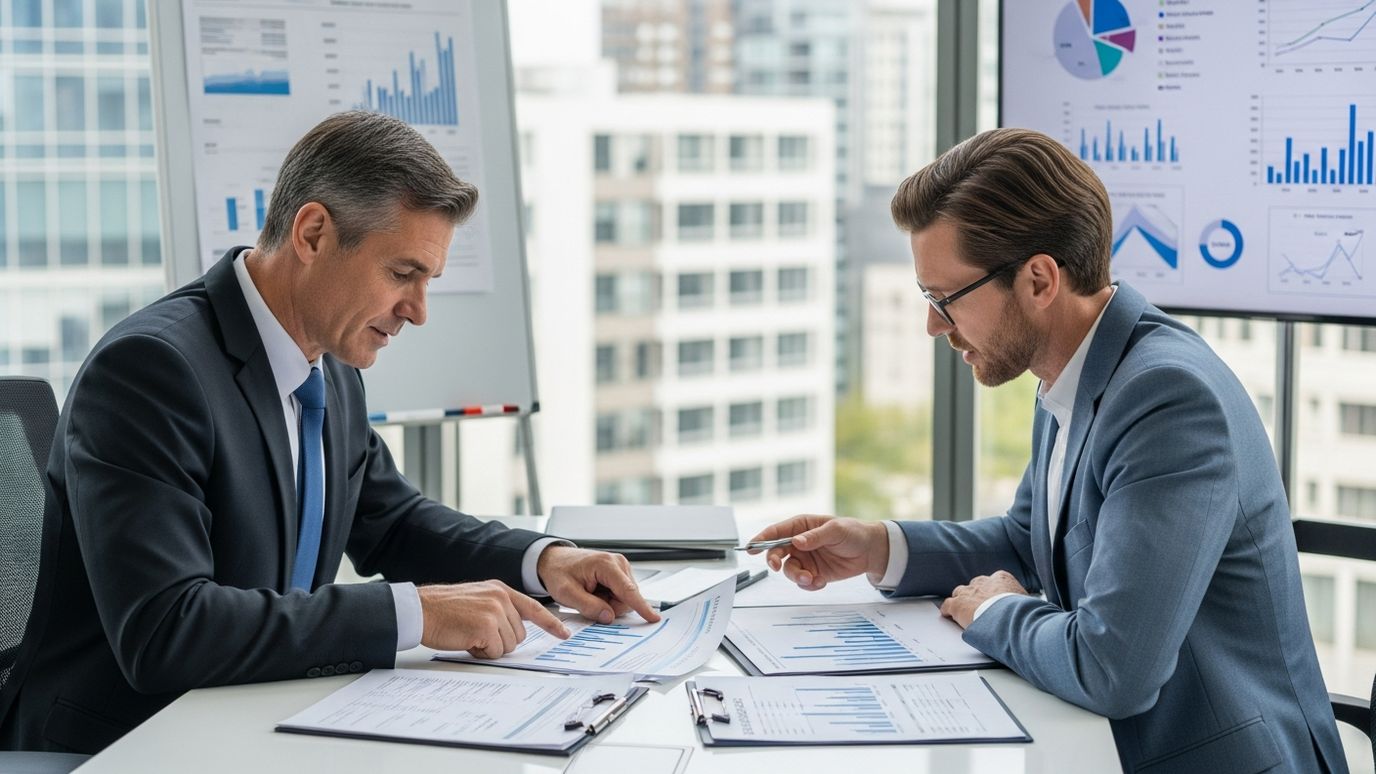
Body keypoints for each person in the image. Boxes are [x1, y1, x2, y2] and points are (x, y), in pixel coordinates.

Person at [0, 111, 658, 755]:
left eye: (427, 282)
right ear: (312, 233)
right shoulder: (152, 371)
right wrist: (412, 614)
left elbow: (392, 523)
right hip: (123, 745)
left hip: (253, 719)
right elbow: (168, 630)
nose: (418, 312)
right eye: (402, 274)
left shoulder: (329, 367)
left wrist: (543, 561)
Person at [749, 128, 1346, 773]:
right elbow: (1030, 542)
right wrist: (879, 547)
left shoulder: (1167, 400)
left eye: (944, 299)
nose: (932, 326)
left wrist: (994, 611)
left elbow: (1114, 668)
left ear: (1038, 280)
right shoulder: (1076, 371)